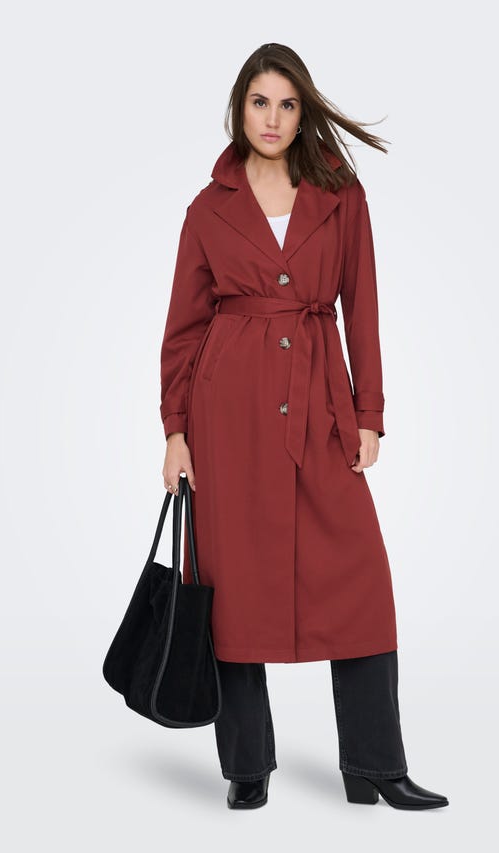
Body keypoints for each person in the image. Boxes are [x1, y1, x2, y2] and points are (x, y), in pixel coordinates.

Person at [159, 43, 449, 811]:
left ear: (303, 111)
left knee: (360, 580)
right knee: (230, 588)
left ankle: (375, 764)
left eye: (287, 104)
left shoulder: (340, 194)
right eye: (260, 102)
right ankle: (246, 765)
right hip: (227, 416)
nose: (273, 119)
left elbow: (363, 307)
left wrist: (369, 413)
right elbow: (183, 331)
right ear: (239, 108)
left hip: (320, 404)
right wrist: (175, 431)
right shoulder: (207, 210)